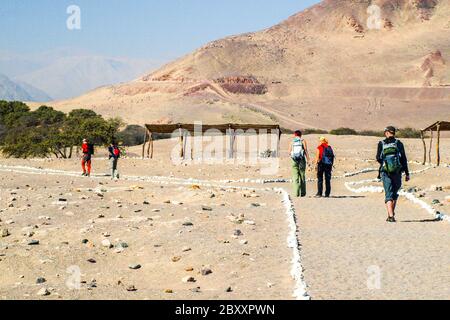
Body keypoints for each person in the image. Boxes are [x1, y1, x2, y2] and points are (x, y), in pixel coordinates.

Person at [376, 126, 410, 223]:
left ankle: (391, 216)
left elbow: (378, 157)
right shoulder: (399, 143)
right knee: (394, 193)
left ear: (386, 133)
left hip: (385, 171)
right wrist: (407, 173)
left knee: (388, 193)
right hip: (397, 171)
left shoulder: (381, 143)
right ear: (394, 133)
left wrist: (385, 163)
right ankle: (391, 214)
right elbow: (404, 159)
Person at [289, 130, 310, 197]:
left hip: (294, 161)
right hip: (302, 160)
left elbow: (289, 152)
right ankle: (303, 193)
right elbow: (306, 150)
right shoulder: (303, 141)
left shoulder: (292, 141)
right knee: (302, 176)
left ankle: (296, 193)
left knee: (295, 177)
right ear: (300, 135)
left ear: (294, 135)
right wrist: (308, 160)